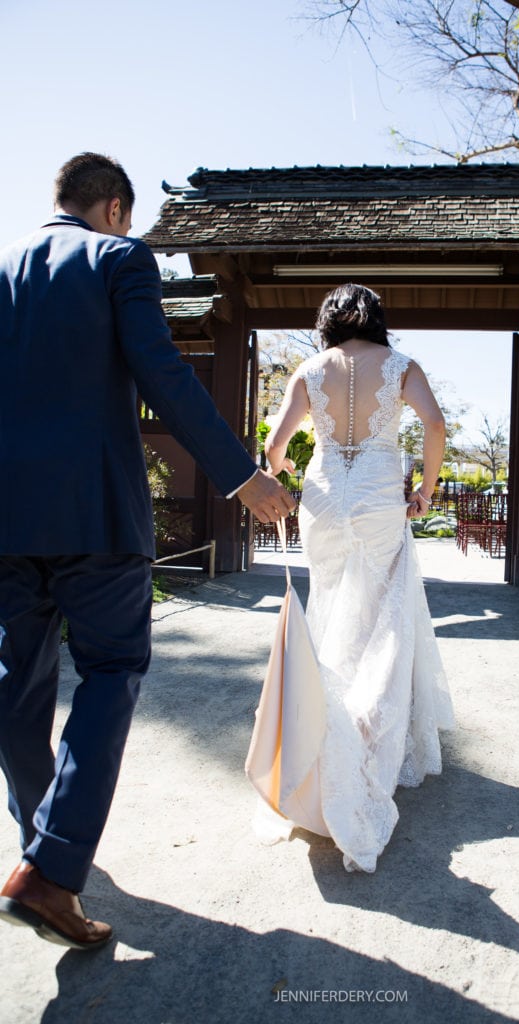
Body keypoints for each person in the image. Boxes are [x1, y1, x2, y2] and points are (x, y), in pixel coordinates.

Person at [0, 153, 294, 949]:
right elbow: (160, 370)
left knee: (15, 689)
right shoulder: (118, 257)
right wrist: (243, 477)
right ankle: (52, 868)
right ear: (117, 209)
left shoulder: (3, 266)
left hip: (6, 520)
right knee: (111, 671)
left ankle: (43, 841)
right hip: (94, 514)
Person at [264, 283, 455, 872]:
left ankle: (323, 735)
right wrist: (423, 489)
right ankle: (368, 740)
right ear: (377, 320)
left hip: (323, 496)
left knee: (329, 613)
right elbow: (436, 425)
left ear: (326, 322)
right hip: (376, 494)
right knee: (382, 621)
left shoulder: (310, 369)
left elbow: (272, 447)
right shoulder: (400, 366)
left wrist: (285, 466)